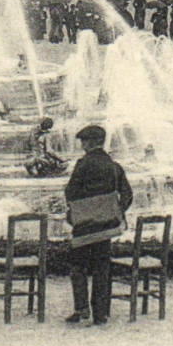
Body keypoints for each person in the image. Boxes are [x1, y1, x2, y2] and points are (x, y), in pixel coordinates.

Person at [62, 124, 134, 326]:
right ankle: (100, 314)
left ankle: (82, 309)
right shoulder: (114, 166)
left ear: (91, 142)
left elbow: (70, 192)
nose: (82, 145)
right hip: (107, 226)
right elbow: (128, 195)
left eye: (84, 141)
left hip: (85, 226)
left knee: (78, 267)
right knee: (102, 268)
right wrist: (115, 211)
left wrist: (79, 211)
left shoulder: (83, 164)